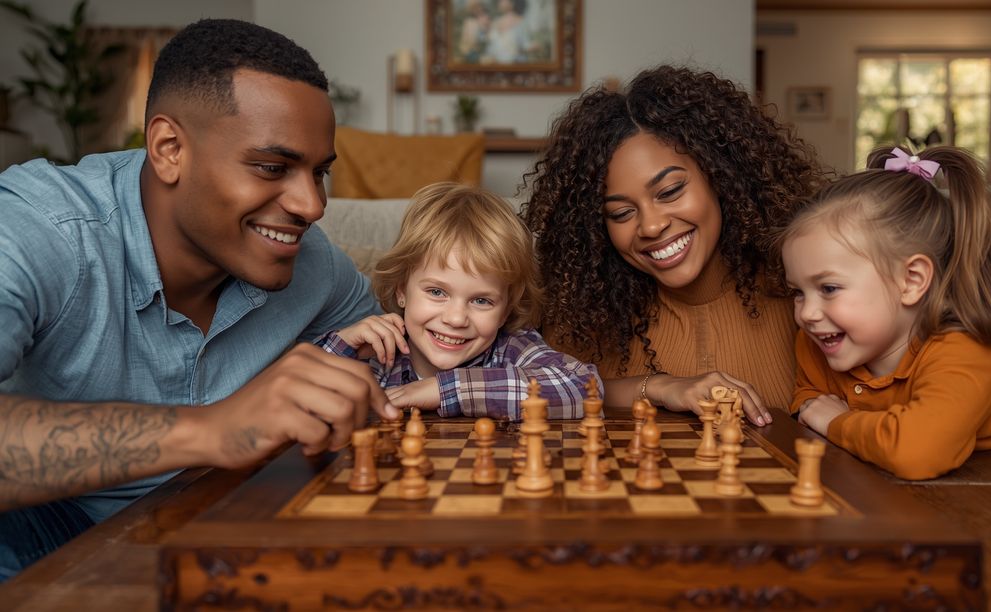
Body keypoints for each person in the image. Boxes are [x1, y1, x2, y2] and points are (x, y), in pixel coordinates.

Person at [0, 19, 395, 579]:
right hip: (40, 544)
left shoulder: (315, 267)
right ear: (168, 149)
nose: (312, 205)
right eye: (272, 167)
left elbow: (401, 377)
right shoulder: (39, 231)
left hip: (225, 547)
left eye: (320, 172)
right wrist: (212, 430)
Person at [522, 65, 824, 424]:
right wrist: (659, 387)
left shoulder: (805, 296)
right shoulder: (582, 314)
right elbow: (543, 390)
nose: (651, 226)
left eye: (669, 191)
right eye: (620, 213)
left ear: (721, 174)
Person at [780, 145, 991, 480]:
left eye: (828, 288)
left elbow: (917, 452)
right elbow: (809, 404)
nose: (807, 313)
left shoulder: (962, 351)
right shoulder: (819, 342)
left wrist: (838, 421)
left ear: (911, 280)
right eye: (797, 292)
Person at [318, 182, 599, 421]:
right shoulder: (380, 354)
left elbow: (586, 387)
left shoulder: (511, 348)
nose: (455, 319)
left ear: (505, 311)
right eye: (437, 292)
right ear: (402, 290)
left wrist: (446, 389)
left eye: (481, 300)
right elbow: (300, 399)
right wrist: (342, 345)